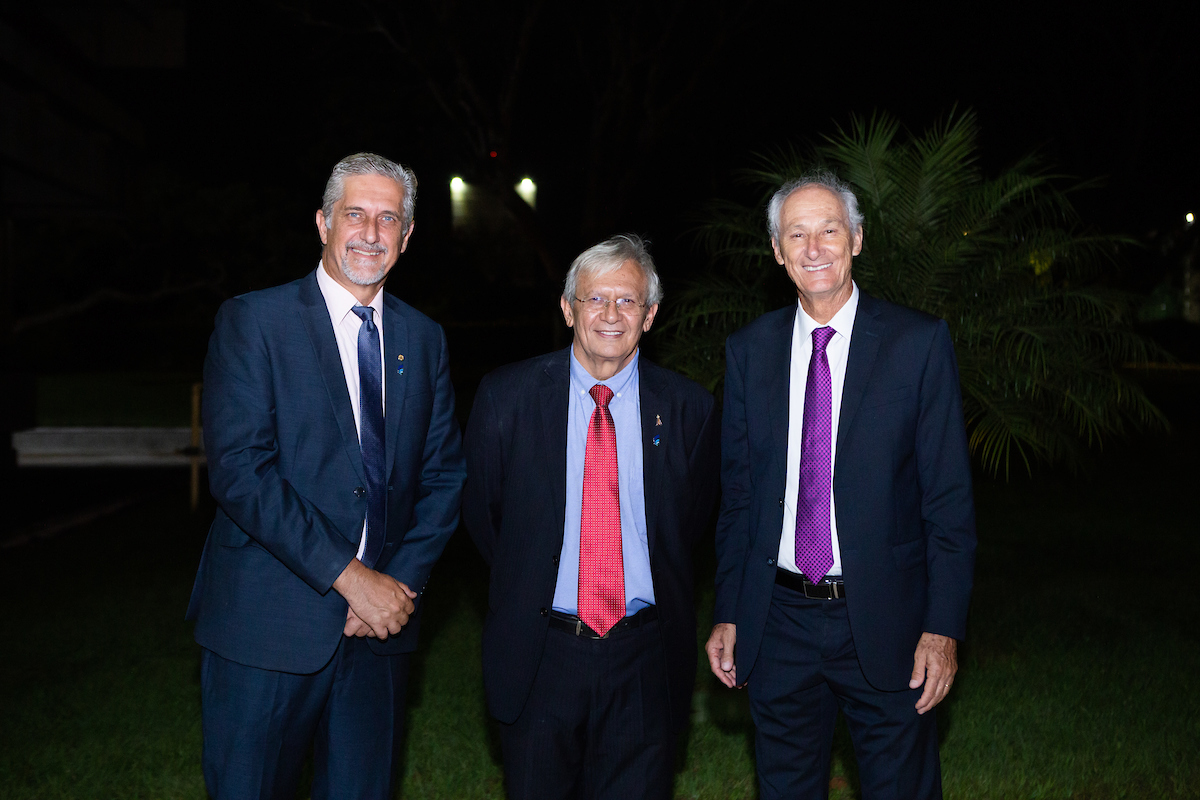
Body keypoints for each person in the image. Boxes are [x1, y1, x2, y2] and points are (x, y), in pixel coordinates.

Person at [186, 152, 466, 800]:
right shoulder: (255, 321)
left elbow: (446, 476)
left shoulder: (423, 340)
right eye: (356, 214)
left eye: (388, 218)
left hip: (378, 639)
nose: (371, 232)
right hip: (267, 631)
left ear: (408, 235)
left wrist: (396, 588)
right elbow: (240, 472)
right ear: (322, 221)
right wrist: (353, 580)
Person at [705, 172, 976, 799]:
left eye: (829, 229)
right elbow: (739, 498)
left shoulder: (917, 343)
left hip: (890, 621)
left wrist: (944, 626)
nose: (814, 247)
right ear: (777, 251)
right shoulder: (749, 351)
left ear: (856, 238)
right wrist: (728, 610)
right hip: (778, 624)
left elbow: (948, 502)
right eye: (796, 234)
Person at [463, 234, 720, 799]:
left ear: (650, 315)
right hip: (541, 651)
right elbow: (486, 518)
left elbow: (690, 525)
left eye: (626, 301)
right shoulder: (506, 398)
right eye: (593, 299)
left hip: (645, 657)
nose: (609, 314)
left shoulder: (690, 411)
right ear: (566, 308)